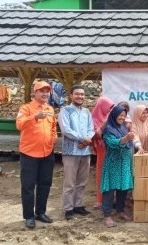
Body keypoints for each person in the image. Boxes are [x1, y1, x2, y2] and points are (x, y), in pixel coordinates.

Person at [16, 81, 57, 229]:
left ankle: (41, 212)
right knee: (28, 186)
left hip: (47, 153)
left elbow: (53, 127)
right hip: (29, 154)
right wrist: (34, 116)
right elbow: (19, 124)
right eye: (42, 91)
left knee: (45, 184)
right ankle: (29, 216)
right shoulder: (26, 108)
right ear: (34, 93)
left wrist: (52, 140)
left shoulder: (50, 109)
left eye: (47, 91)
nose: (45, 94)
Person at [58, 85, 95, 220]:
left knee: (82, 181)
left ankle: (78, 205)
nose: (80, 96)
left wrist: (87, 140)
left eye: (82, 94)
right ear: (71, 96)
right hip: (71, 152)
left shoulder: (86, 112)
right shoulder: (65, 111)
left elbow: (92, 128)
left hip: (85, 151)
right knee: (70, 183)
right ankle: (68, 208)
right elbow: (66, 130)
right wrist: (82, 138)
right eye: (77, 94)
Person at [101, 105, 134, 227]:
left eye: (124, 116)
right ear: (114, 115)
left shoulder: (124, 127)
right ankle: (107, 216)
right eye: (120, 115)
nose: (122, 118)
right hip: (113, 163)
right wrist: (125, 138)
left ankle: (120, 210)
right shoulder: (108, 128)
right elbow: (112, 143)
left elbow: (129, 142)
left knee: (123, 188)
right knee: (110, 189)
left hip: (124, 162)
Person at [91, 97, 114, 209]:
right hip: (102, 150)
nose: (110, 110)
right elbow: (96, 135)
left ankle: (113, 200)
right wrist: (105, 122)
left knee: (113, 175)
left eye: (111, 108)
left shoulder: (112, 118)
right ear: (102, 107)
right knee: (102, 174)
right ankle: (100, 200)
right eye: (108, 108)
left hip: (112, 150)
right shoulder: (94, 118)